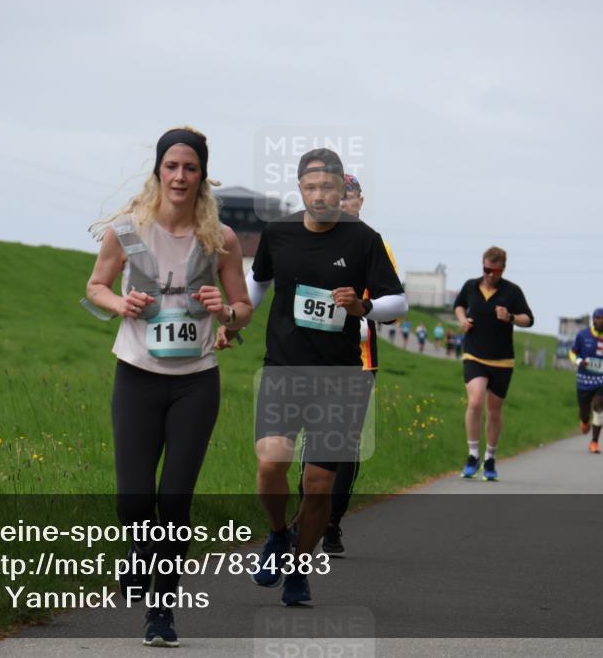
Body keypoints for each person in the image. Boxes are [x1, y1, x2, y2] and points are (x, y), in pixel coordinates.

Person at [85, 127, 253, 647]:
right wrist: (120, 304)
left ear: (203, 176)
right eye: (172, 166)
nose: (180, 176)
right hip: (136, 375)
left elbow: (243, 308)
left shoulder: (220, 239)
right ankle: (138, 551)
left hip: (195, 382)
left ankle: (161, 611)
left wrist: (226, 313)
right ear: (158, 171)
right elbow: (95, 288)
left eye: (190, 168)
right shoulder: (128, 231)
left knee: (175, 500)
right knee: (134, 500)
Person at [240, 149, 407, 605]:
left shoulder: (364, 240)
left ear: (341, 189)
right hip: (284, 368)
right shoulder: (278, 233)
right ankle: (278, 534)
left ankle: (298, 569)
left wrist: (362, 307)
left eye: (328, 188)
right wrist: (235, 320)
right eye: (311, 187)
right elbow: (258, 282)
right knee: (270, 463)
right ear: (300, 188)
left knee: (318, 485)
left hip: (339, 378)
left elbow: (398, 302)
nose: (320, 196)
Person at [307, 172, 400, 558]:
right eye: (338, 194)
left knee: (343, 444)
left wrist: (364, 311)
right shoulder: (309, 239)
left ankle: (332, 521)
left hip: (359, 360)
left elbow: (394, 305)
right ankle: (306, 515)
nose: (344, 201)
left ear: (361, 201)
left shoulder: (375, 244)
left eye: (351, 195)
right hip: (312, 355)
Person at [453, 246, 534, 481]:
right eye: (486, 269)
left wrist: (510, 317)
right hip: (474, 354)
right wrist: (462, 320)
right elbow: (459, 305)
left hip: (502, 359)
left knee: (494, 409)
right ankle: (472, 455)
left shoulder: (512, 292)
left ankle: (489, 458)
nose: (489, 274)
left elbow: (528, 319)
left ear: (503, 269)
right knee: (475, 400)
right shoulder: (471, 286)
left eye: (494, 271)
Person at [570, 309, 603, 453]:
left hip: (602, 379)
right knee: (584, 412)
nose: (601, 321)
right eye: (598, 318)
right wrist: (579, 361)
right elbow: (573, 353)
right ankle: (585, 422)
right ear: (593, 320)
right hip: (584, 380)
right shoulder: (583, 335)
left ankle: (594, 442)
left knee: (598, 408)